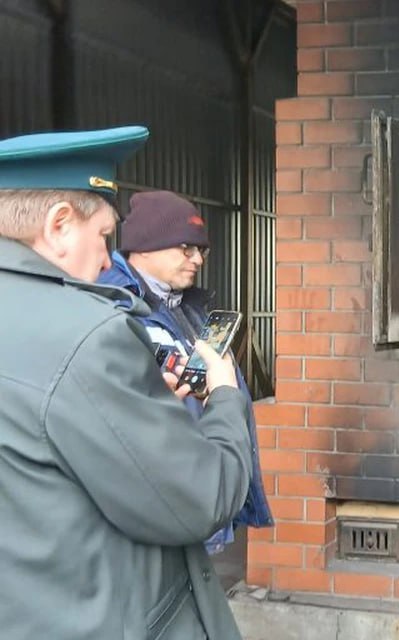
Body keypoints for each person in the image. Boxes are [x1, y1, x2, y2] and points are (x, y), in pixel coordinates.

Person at [0, 126, 251, 639]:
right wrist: (224, 394)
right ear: (59, 224)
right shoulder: (86, 335)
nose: (106, 258)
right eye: (103, 237)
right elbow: (202, 497)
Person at [98, 190, 273, 554]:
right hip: (162, 507)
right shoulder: (114, 305)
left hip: (194, 492)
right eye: (185, 248)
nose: (197, 259)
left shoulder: (184, 304)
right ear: (144, 246)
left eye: (201, 250)